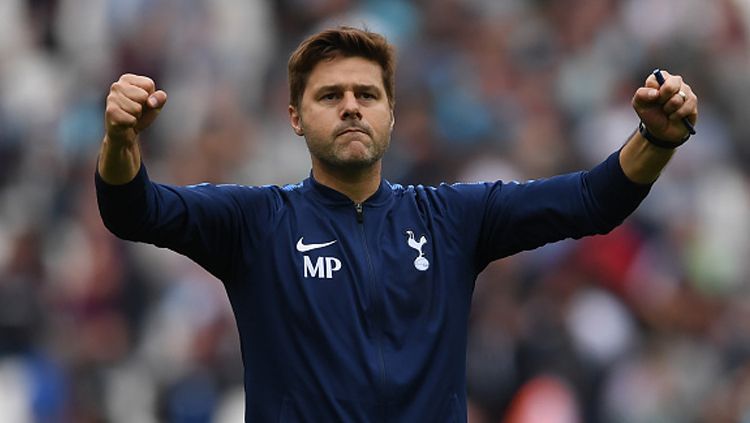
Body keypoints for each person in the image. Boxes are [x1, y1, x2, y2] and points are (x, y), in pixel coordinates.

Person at [95, 26, 698, 422]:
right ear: (295, 118)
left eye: (367, 93)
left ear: (391, 114)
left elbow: (593, 200)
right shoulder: (256, 221)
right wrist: (121, 139)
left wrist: (657, 139)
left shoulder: (452, 219)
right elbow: (134, 209)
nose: (351, 105)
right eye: (330, 96)